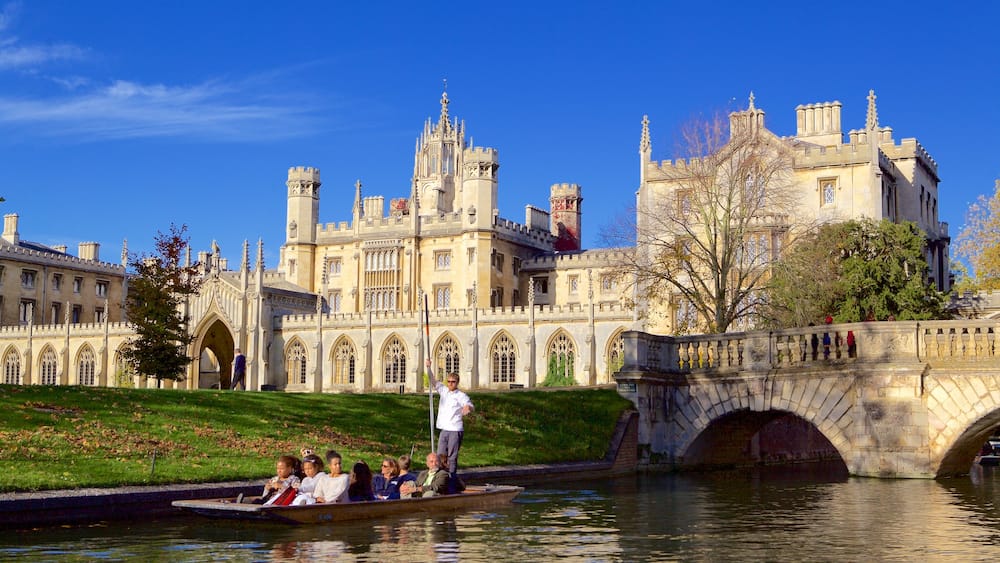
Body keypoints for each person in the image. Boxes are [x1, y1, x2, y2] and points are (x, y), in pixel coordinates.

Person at [427, 360, 474, 475]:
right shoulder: (444, 391)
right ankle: (441, 478)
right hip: (444, 429)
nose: (450, 384)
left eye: (453, 382)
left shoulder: (460, 395)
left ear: (457, 383)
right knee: (440, 456)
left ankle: (452, 479)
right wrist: (428, 367)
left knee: (451, 457)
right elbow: (433, 380)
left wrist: (467, 408)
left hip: (455, 429)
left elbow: (470, 404)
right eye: (448, 382)